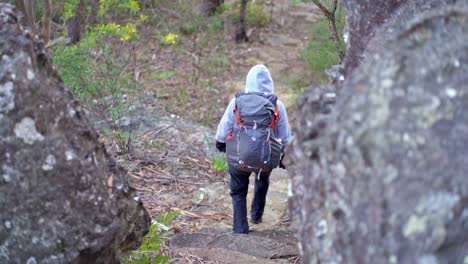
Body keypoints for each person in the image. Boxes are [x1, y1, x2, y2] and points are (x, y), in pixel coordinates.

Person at [215, 64, 291, 234]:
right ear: (270, 83)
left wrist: (220, 142)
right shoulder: (277, 104)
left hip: (238, 155)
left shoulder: (237, 101)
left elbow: (225, 127)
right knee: (262, 180)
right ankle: (256, 215)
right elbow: (285, 136)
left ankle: (240, 227)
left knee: (238, 189)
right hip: (266, 157)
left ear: (248, 82)